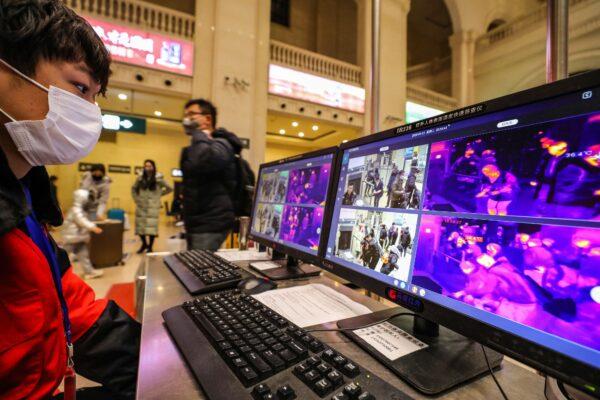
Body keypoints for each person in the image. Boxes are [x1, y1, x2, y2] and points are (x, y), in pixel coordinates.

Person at [0, 2, 139, 398]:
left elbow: (70, 305)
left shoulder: (24, 189)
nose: (88, 113)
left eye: (94, 98)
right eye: (79, 88)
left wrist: (159, 361)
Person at [180, 98, 243, 251]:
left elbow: (204, 161)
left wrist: (199, 134)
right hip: (196, 220)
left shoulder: (222, 144)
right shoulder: (198, 145)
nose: (186, 119)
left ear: (207, 119)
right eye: (185, 115)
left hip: (211, 222)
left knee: (199, 269)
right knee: (196, 265)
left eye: (191, 114)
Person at [132, 159, 173, 253]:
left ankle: (150, 247)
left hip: (153, 206)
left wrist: (159, 195)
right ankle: (144, 244)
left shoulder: (159, 179)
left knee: (152, 228)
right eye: (146, 166)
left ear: (153, 167)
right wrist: (136, 199)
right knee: (140, 227)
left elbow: (170, 188)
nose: (148, 168)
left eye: (150, 166)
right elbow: (134, 189)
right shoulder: (140, 178)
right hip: (141, 205)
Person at [62, 189, 104, 279]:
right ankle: (51, 271)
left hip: (79, 237)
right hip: (72, 237)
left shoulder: (81, 210)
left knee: (83, 255)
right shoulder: (76, 210)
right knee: (62, 255)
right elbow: (81, 220)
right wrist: (92, 227)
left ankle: (89, 272)